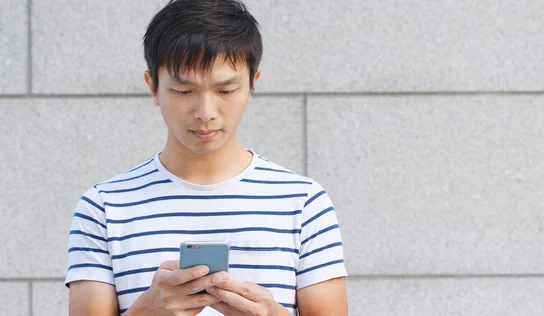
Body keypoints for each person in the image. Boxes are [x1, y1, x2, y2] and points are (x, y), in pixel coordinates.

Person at [64, 0, 348, 315]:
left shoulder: (304, 203)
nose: (205, 114)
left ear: (252, 85)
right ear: (153, 87)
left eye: (225, 91)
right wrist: (149, 310)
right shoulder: (103, 207)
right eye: (184, 92)